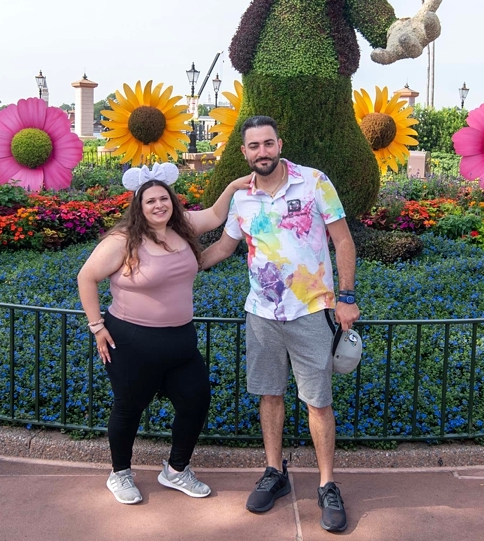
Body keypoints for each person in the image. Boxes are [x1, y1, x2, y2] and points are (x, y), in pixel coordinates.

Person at [201, 115, 359, 534]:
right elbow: (223, 245)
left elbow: (343, 240)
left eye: (268, 144)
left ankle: (326, 484)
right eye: (254, 147)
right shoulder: (241, 199)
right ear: (244, 152)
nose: (262, 152)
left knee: (317, 401)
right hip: (262, 315)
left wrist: (346, 297)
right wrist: (181, 266)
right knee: (270, 396)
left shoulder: (313, 182)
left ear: (279, 144)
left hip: (311, 310)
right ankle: (275, 472)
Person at [77, 163, 250, 505]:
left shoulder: (183, 227)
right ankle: (120, 474)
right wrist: (97, 326)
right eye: (150, 201)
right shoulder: (123, 240)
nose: (159, 205)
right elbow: (86, 277)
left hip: (180, 341)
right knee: (129, 407)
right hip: (130, 342)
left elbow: (216, 215)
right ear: (139, 208)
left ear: (172, 200)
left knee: (196, 399)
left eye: (163, 198)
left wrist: (233, 186)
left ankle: (176, 470)